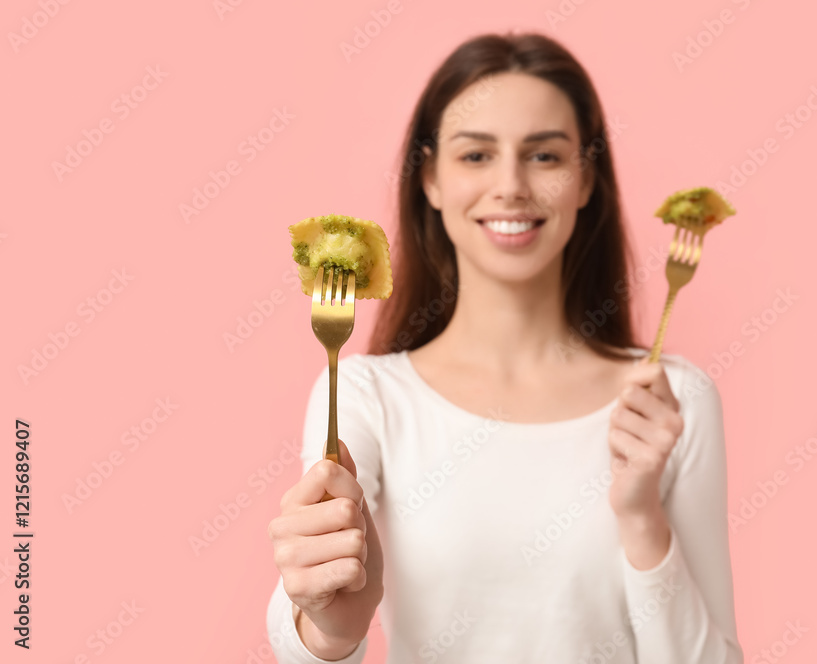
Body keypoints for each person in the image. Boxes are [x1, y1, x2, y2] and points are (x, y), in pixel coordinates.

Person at [266, 31, 743, 664]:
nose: (512, 185)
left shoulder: (670, 401)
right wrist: (329, 628)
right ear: (430, 179)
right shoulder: (364, 395)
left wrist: (642, 517)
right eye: (476, 155)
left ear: (585, 178)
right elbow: (305, 635)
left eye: (544, 156)